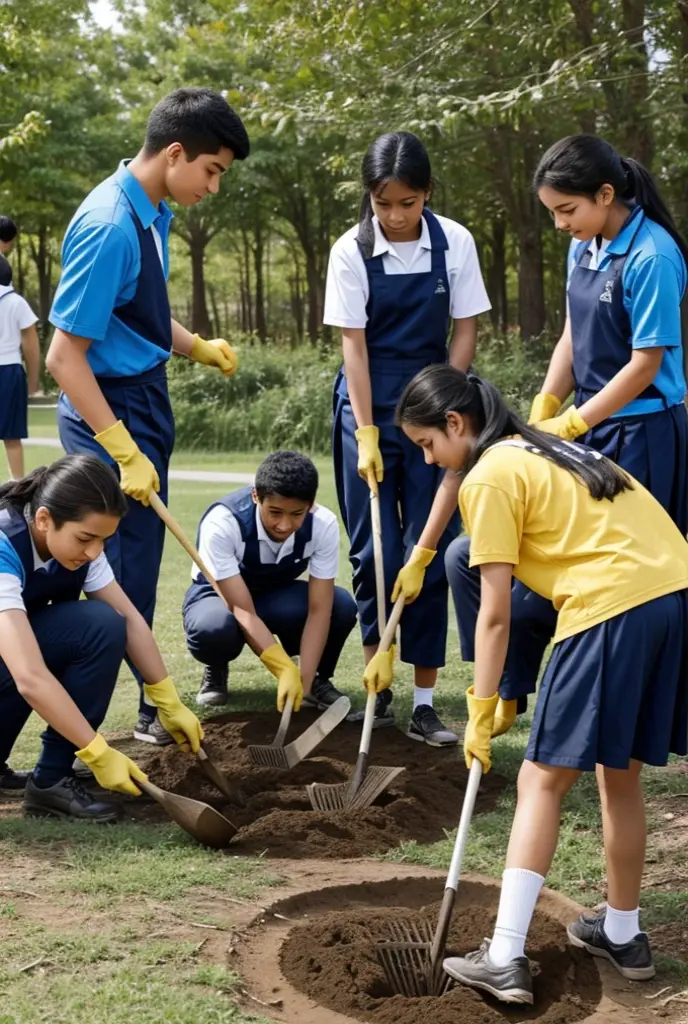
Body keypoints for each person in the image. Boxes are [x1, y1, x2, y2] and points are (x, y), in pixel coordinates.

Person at [390, 364, 688, 1005]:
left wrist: (480, 706)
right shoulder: (545, 445)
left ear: (455, 423)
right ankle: (623, 931)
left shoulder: (489, 476)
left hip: (612, 605)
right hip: (673, 599)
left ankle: (503, 956)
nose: (429, 460)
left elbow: (495, 611)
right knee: (620, 774)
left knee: (539, 781)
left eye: (427, 444)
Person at [446, 133, 688, 721]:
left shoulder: (652, 255)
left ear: (605, 195)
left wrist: (575, 420)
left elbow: (645, 364)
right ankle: (509, 688)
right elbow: (572, 336)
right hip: (589, 430)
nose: (560, 225)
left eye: (566, 209)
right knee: (530, 553)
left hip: (645, 434)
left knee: (632, 574)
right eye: (552, 212)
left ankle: (638, 705)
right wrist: (547, 403)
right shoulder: (585, 247)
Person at [45, 87, 250, 745]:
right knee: (115, 576)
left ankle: (144, 709)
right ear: (175, 153)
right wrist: (120, 446)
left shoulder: (151, 209)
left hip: (143, 396)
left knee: (136, 566)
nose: (213, 187)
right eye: (211, 171)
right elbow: (63, 357)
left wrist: (196, 347)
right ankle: (91, 739)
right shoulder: (110, 225)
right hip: (108, 408)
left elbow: (135, 315)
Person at [324, 130, 491, 744]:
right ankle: (380, 685)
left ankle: (424, 704)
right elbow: (354, 346)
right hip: (367, 403)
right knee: (376, 553)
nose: (394, 216)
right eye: (382, 203)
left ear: (427, 194)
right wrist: (367, 429)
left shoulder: (455, 243)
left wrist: (447, 402)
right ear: (368, 197)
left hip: (435, 404)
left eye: (408, 203)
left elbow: (465, 329)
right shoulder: (351, 250)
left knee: (430, 550)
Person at [0, 454, 203, 820]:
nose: (94, 551)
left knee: (102, 625)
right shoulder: (3, 545)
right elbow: (29, 676)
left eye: (103, 540)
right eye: (86, 538)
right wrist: (97, 751)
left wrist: (167, 699)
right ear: (44, 519)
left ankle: (51, 779)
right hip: (15, 671)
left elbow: (129, 620)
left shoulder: (84, 550)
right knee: (82, 631)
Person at [183, 451, 358, 714]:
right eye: (274, 512)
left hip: (274, 593)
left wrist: (303, 682)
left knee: (340, 605)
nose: (284, 525)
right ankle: (216, 666)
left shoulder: (323, 524)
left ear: (311, 504)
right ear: (256, 496)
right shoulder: (222, 522)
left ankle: (315, 680)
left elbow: (319, 609)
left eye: (297, 514)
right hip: (219, 596)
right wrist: (282, 668)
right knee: (213, 628)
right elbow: (241, 608)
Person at [0, 256, 40, 481]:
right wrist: (33, 384)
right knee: (12, 437)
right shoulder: (16, 302)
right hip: (10, 370)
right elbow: (31, 347)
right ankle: (16, 487)